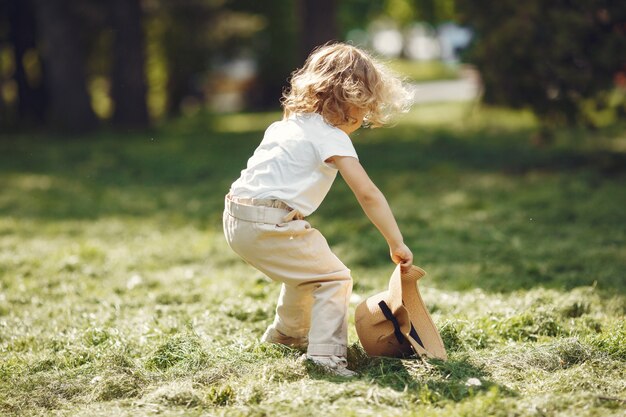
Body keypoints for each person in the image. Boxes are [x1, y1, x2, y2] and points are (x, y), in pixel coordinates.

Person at [223, 42, 413, 377]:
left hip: (237, 216)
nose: (364, 120)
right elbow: (367, 193)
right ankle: (325, 357)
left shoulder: (287, 124)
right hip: (268, 222)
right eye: (365, 112)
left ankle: (287, 335)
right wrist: (396, 242)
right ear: (352, 104)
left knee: (306, 273)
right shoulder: (332, 136)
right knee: (333, 278)